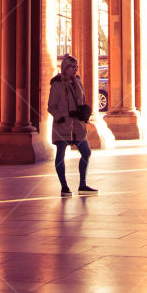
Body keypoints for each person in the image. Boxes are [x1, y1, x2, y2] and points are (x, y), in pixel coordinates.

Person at [48, 54, 97, 196]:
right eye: (72, 67)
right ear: (65, 68)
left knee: (86, 152)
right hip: (63, 124)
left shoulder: (78, 82)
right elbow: (51, 106)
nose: (75, 70)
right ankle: (64, 186)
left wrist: (84, 112)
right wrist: (60, 117)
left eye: (76, 67)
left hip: (77, 124)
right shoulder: (56, 84)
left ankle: (83, 185)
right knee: (61, 154)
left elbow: (82, 99)